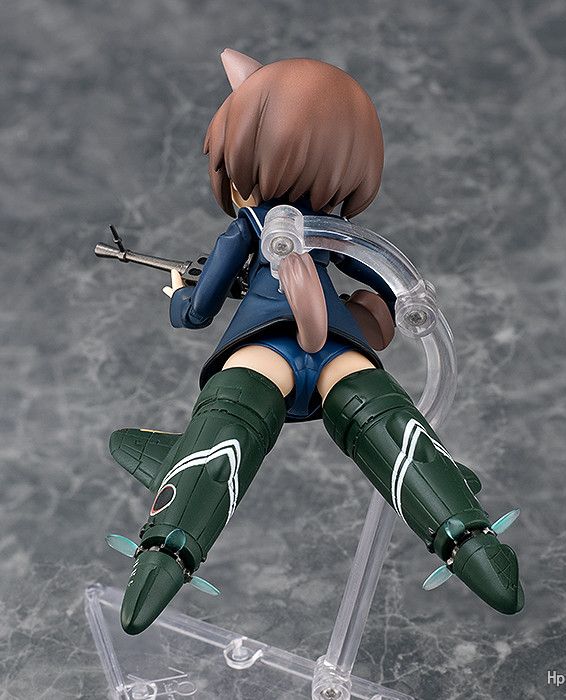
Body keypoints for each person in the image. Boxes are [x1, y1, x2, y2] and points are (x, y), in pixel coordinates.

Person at [112, 50, 524, 635]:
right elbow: (383, 276)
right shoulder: (333, 229)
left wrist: (178, 295)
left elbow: (199, 311)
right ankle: (468, 533)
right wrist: (398, 308)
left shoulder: (249, 226)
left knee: (226, 427)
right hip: (337, 347)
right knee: (385, 423)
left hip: (266, 347)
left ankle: (167, 546)